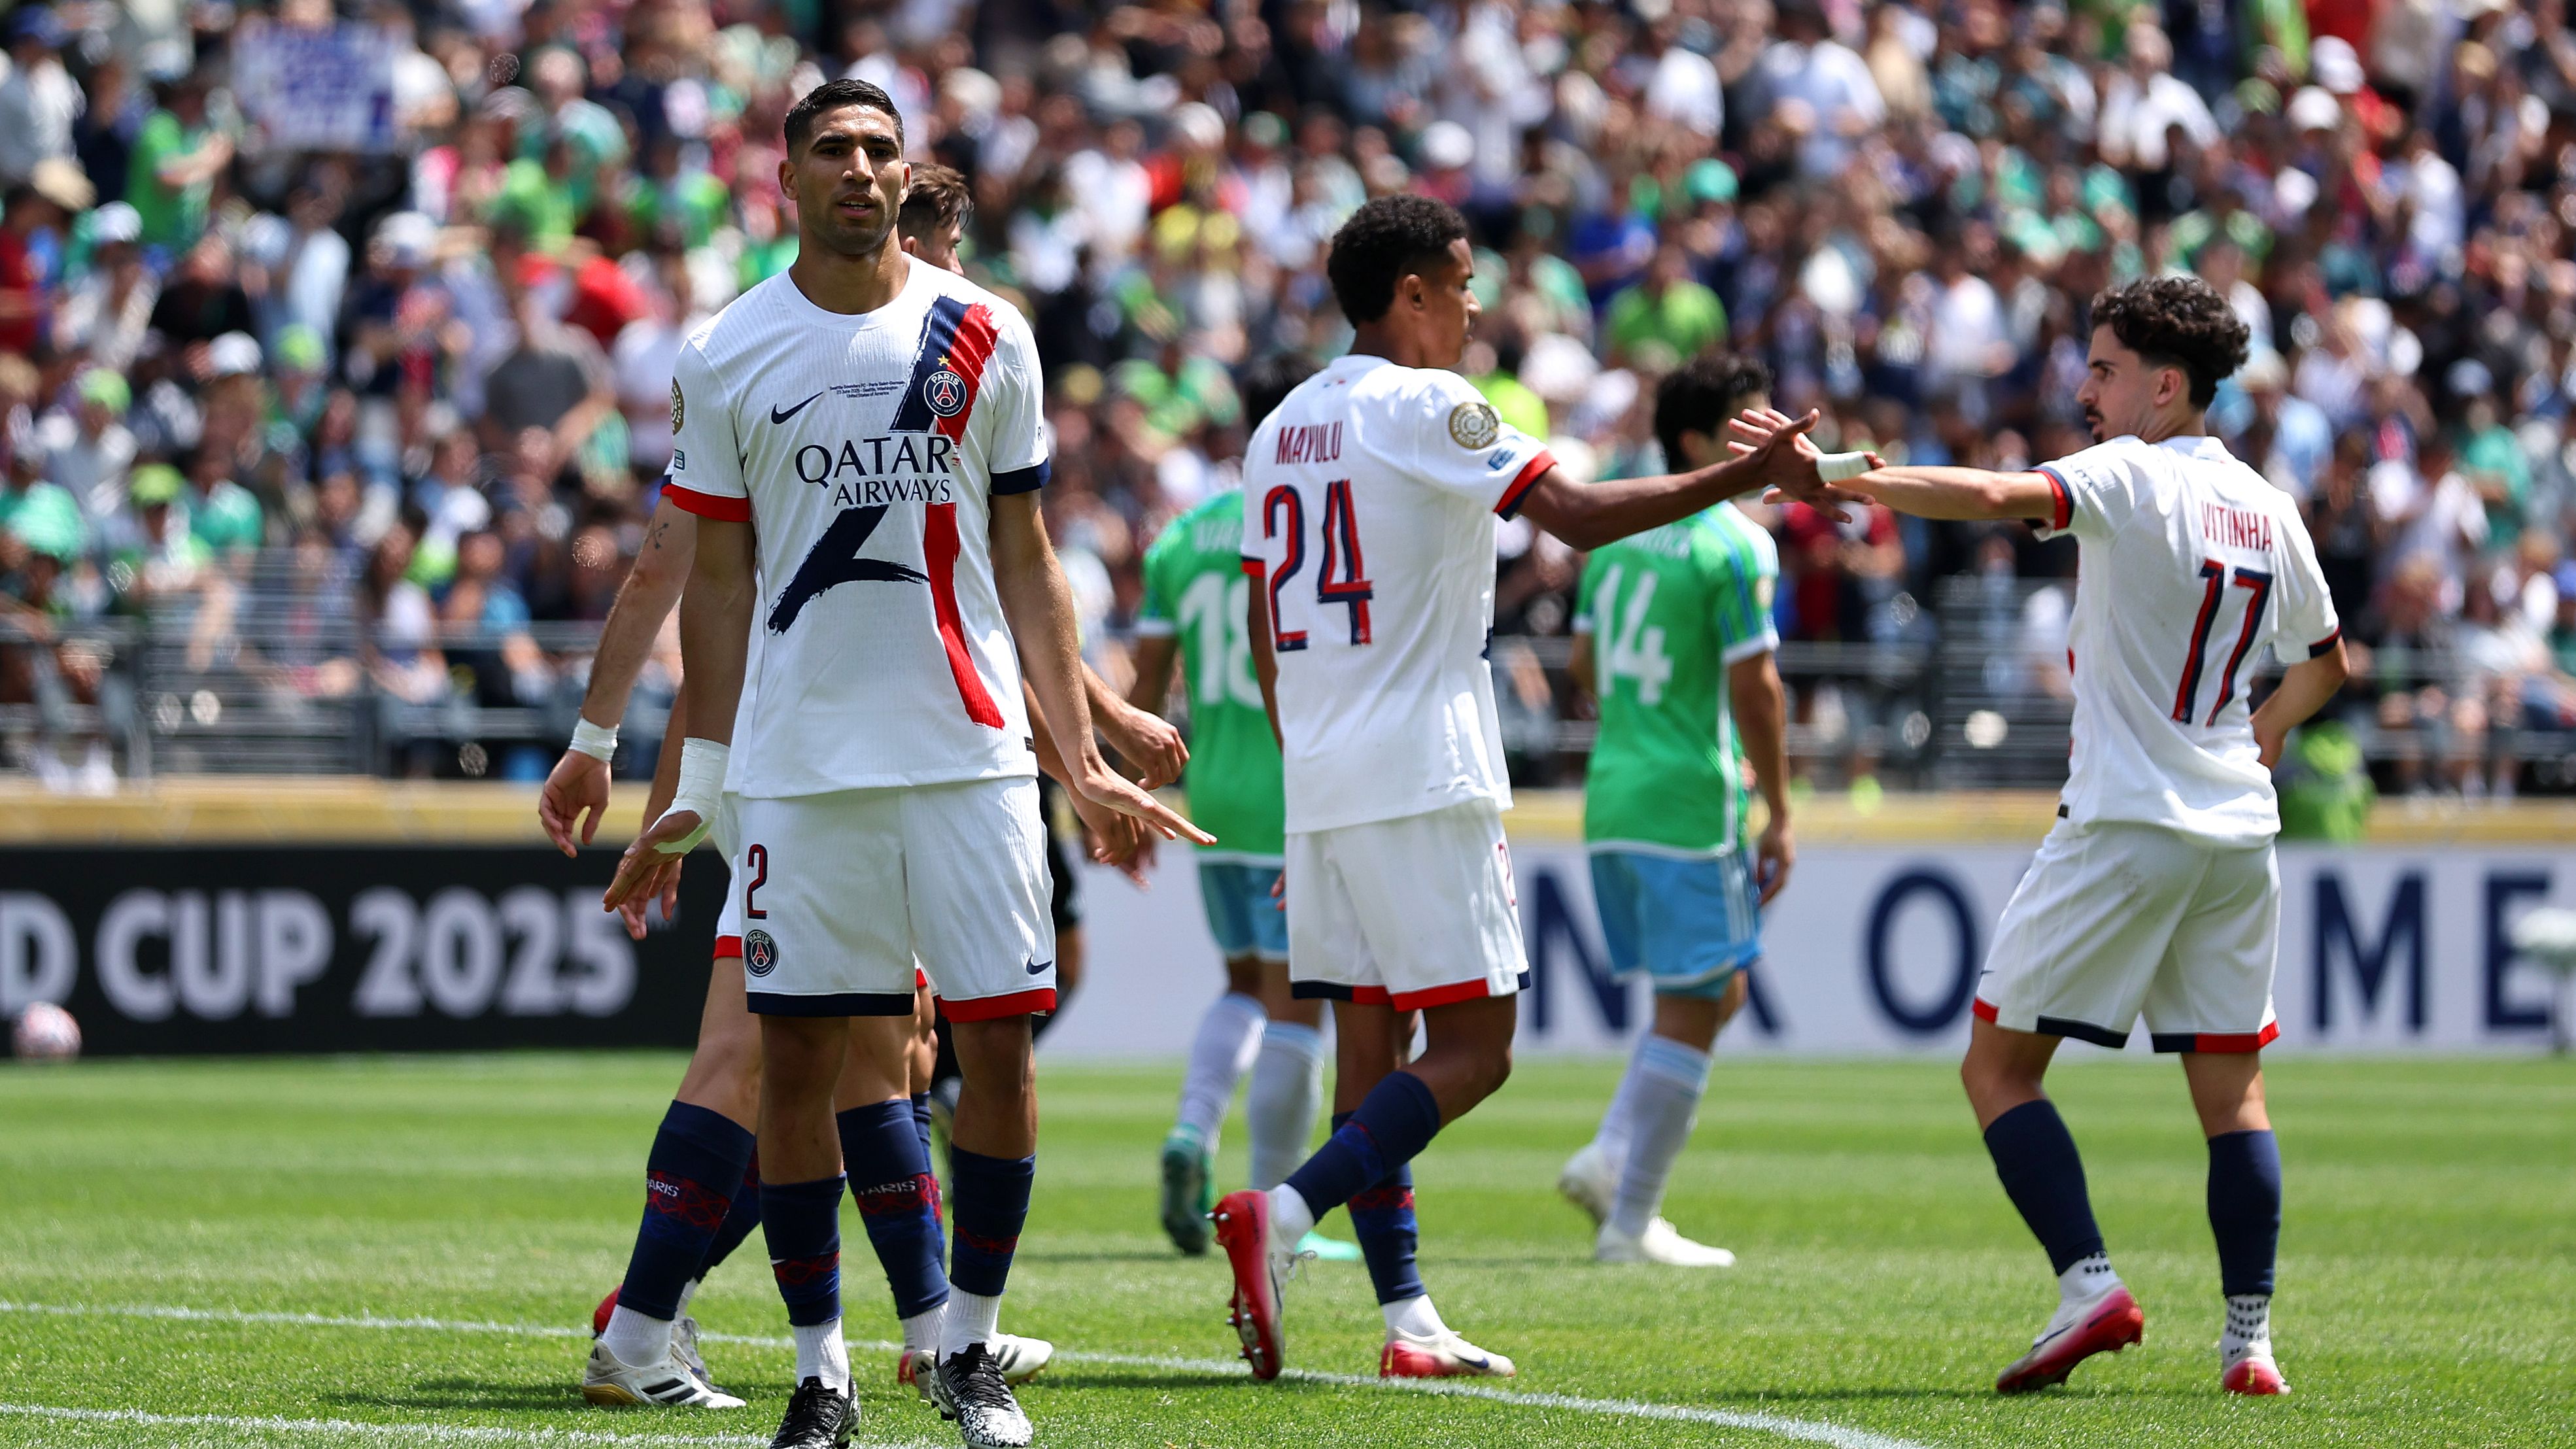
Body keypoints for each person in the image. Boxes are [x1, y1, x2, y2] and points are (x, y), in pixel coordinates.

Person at [602, 80, 1203, 1449]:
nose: (861, 171)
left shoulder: (986, 333)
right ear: (788, 180)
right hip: (803, 765)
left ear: (900, 174)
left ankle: (969, 1345)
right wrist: (695, 775)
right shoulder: (726, 351)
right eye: (834, 151)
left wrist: (1079, 755)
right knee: (800, 1064)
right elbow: (713, 581)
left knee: (994, 1048)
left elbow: (1024, 562)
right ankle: (823, 1371)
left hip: (971, 757)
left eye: (881, 150)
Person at [1211, 194, 1819, 1382]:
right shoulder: (1431, 403)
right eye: (1463, 280)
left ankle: (1407, 1320)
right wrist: (1740, 478)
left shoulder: (1280, 425)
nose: (1478, 304)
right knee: (1481, 1046)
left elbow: (1258, 623)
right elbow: (1582, 519)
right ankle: (1280, 1216)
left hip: (1326, 775)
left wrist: (1307, 783)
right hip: (1424, 770)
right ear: (1413, 296)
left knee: (1371, 1056)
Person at [1734, 275, 2345, 1397]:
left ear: (2167, 385)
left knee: (1999, 1065)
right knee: (2233, 1090)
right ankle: (2250, 1343)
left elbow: (1992, 493)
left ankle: (2089, 1285)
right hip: (2234, 831)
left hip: (2126, 819)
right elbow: (2329, 662)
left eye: (2106, 369)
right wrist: (2253, 743)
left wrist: (1832, 477)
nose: (2087, 387)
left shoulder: (2130, 472)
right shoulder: (2271, 505)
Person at [1554, 352, 1791, 1269]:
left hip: (1614, 792)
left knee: (1710, 988)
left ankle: (1612, 1157)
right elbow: (1759, 691)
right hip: (1693, 796)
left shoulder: (1614, 533)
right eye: (1751, 425)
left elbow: (1582, 668)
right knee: (1703, 997)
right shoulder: (1733, 543)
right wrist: (1783, 807)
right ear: (1699, 442)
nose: (1771, 444)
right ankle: (1630, 1218)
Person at [1131, 351, 1356, 1263]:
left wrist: (1132, 795)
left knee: (1243, 987)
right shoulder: (1311, 523)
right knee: (1302, 1003)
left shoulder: (1184, 539)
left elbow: (1146, 687)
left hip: (1212, 789)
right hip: (1290, 787)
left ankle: (1193, 1130)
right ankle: (1274, 1213)